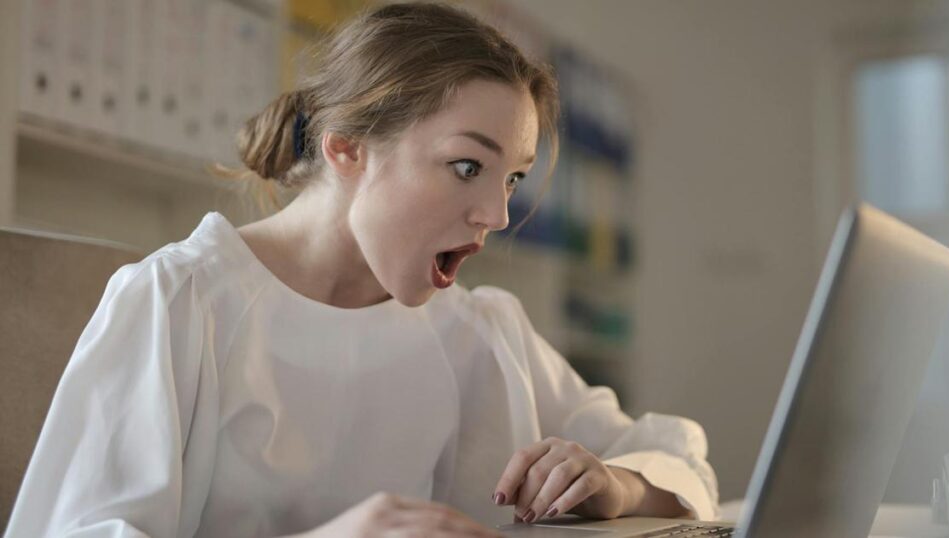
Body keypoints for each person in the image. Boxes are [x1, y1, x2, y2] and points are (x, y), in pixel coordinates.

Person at [5, 3, 718, 537]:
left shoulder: (482, 328)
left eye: (511, 179)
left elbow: (670, 457)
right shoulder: (179, 302)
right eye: (466, 166)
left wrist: (618, 485)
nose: (496, 217)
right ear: (347, 149)